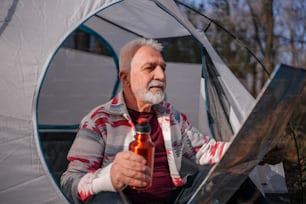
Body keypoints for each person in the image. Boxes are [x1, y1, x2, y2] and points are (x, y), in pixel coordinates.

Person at [60, 38, 284, 204]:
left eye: (163, 68)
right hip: (122, 202)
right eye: (150, 68)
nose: (161, 75)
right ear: (125, 78)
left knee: (227, 175)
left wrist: (254, 151)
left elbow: (206, 150)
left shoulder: (170, 116)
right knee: (103, 199)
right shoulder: (99, 121)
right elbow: (70, 183)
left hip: (176, 200)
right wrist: (108, 177)